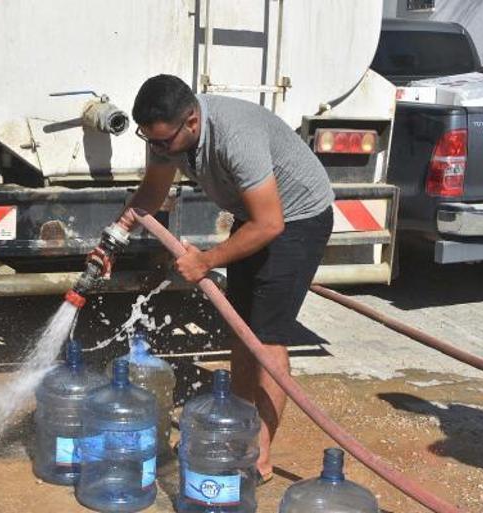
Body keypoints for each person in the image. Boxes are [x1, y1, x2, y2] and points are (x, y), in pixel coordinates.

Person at [95, 74, 334, 483]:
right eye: (149, 140)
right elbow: (151, 195)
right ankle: (236, 428)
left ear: (191, 122)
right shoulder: (165, 135)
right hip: (254, 216)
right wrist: (114, 236)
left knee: (267, 337)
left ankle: (258, 455)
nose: (157, 149)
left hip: (295, 220)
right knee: (241, 331)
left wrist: (205, 261)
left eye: (164, 143)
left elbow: (270, 223)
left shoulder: (235, 137)